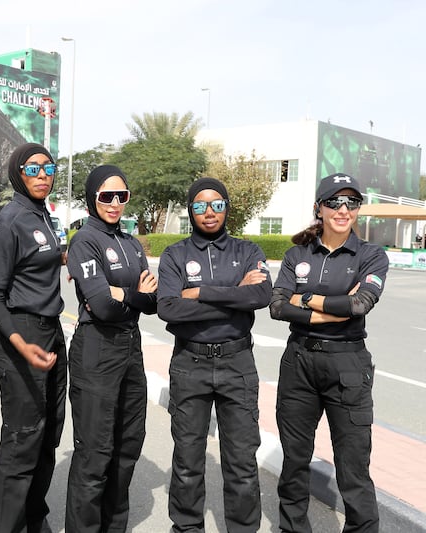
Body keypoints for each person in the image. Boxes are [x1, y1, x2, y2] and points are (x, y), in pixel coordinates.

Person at [269, 173, 388, 533]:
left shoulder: (371, 255)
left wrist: (305, 299)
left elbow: (359, 304)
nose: (343, 209)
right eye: (335, 201)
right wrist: (332, 308)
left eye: (352, 202)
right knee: (294, 462)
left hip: (347, 364)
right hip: (299, 363)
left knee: (353, 467)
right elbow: (276, 306)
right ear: (319, 208)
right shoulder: (296, 255)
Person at [157, 177, 271, 533]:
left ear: (227, 208)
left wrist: (199, 293)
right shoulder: (176, 254)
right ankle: (187, 527)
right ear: (190, 210)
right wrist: (233, 294)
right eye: (201, 206)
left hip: (237, 364)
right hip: (189, 363)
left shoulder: (247, 251)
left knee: (240, 461)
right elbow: (169, 309)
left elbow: (261, 296)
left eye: (217, 205)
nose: (209, 213)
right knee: (188, 459)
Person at [65, 165, 157, 532]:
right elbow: (101, 306)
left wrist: (122, 294)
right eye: (107, 196)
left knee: (128, 446)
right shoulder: (85, 241)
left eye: (122, 196)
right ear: (92, 198)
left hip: (130, 348)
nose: (115, 203)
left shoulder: (132, 243)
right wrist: (132, 295)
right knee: (95, 453)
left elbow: (156, 302)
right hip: (96, 349)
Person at [0, 142, 67, 532]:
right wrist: (20, 343)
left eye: (48, 169)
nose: (42, 176)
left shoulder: (43, 216)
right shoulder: (9, 221)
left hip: (51, 333)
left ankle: (34, 517)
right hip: (22, 335)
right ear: (18, 172)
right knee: (22, 440)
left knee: (48, 434)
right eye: (33, 169)